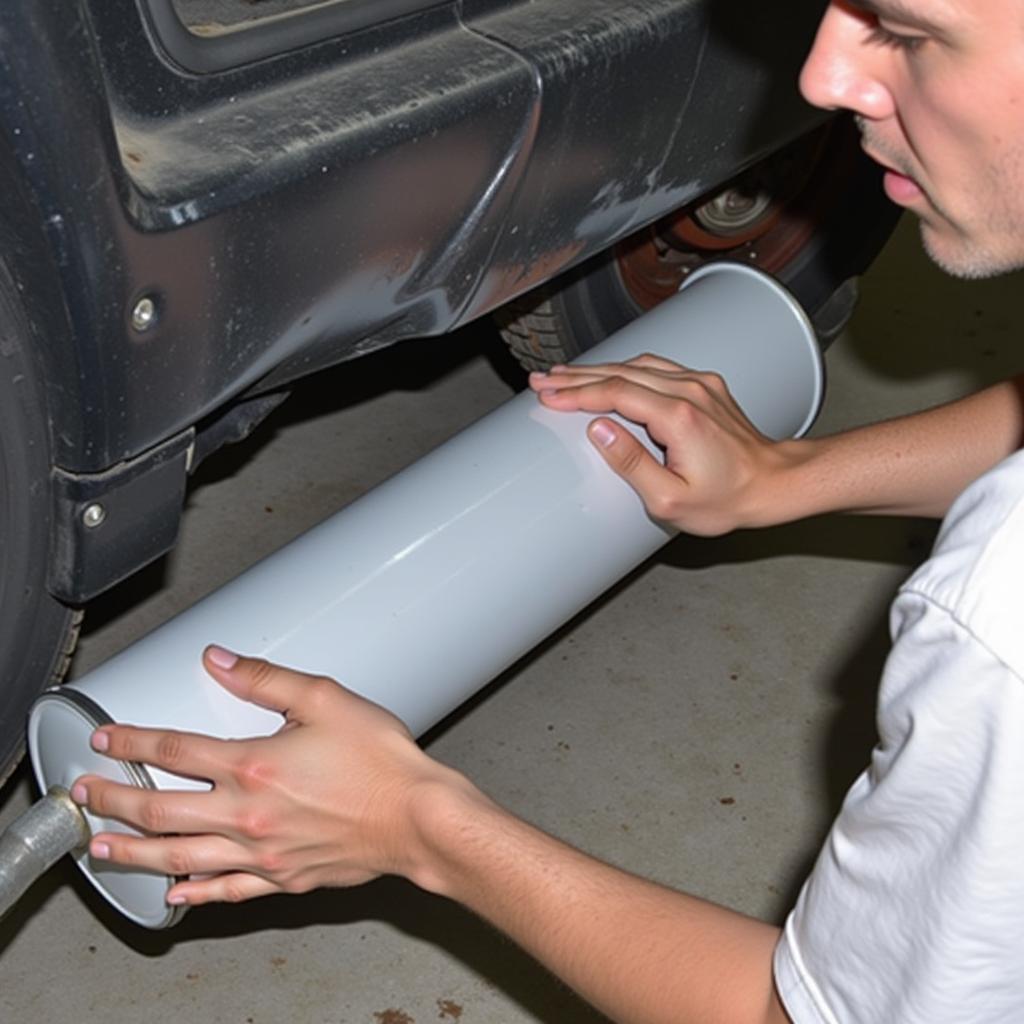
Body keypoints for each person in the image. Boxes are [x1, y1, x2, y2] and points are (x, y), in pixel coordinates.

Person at [70, 2, 1024, 1020]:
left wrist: (419, 825)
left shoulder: (997, 615)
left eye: (904, 29)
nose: (822, 76)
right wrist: (788, 477)